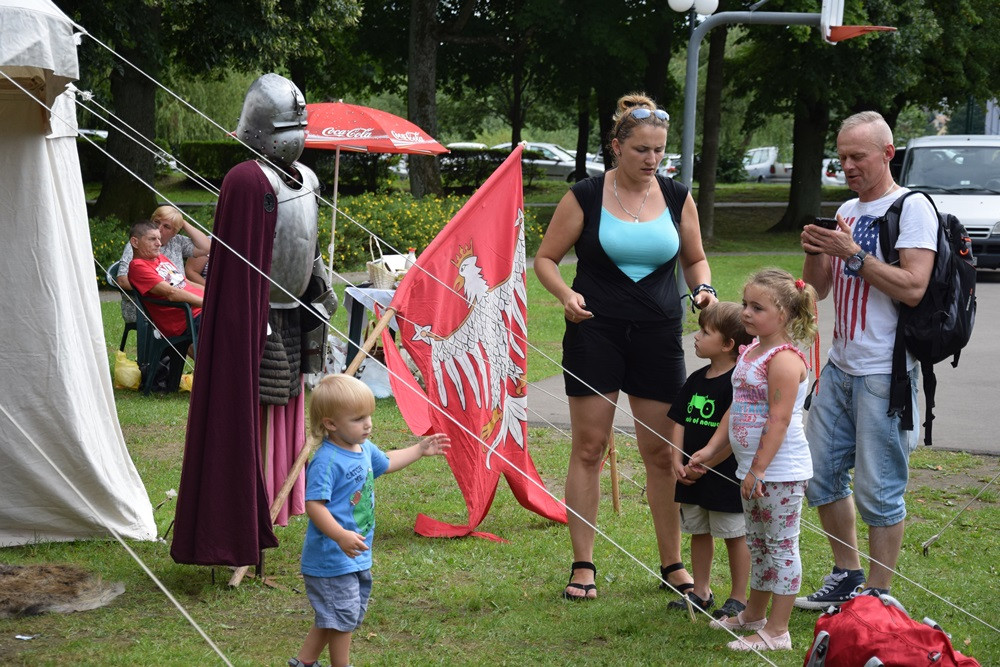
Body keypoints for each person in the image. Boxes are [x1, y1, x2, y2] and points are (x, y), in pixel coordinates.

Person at [534, 91, 717, 600]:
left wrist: (705, 288)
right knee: (590, 448)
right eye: (642, 150)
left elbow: (696, 260)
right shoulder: (586, 195)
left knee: (662, 452)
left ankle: (673, 564)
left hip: (659, 334)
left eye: (660, 150)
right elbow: (546, 259)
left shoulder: (679, 197)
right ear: (617, 147)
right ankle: (583, 565)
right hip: (595, 332)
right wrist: (566, 294)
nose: (653, 159)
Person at [798, 111, 938, 607]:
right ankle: (847, 574)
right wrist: (818, 250)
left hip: (886, 369)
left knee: (879, 488)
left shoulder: (912, 208)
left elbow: (915, 287)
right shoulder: (847, 209)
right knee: (818, 474)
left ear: (887, 153)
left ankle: (878, 596)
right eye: (842, 157)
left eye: (858, 156)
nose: (848, 166)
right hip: (840, 366)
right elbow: (816, 291)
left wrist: (853, 253)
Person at [289, 374, 450, 667]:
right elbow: (313, 505)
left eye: (369, 416)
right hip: (331, 559)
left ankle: (305, 662)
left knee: (333, 614)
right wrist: (339, 535)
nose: (368, 424)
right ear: (330, 424)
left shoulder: (363, 449)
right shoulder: (327, 460)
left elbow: (386, 462)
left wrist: (419, 450)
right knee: (343, 616)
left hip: (354, 553)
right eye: (358, 418)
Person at [694, 268, 816, 652]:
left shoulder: (782, 360)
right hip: (752, 471)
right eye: (746, 304)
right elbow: (737, 410)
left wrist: (759, 469)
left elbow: (778, 421)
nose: (746, 312)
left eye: (757, 307)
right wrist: (713, 452)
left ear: (783, 315)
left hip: (778, 473)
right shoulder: (751, 352)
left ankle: (778, 631)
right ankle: (754, 614)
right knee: (759, 543)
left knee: (780, 547)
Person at [667, 302, 753, 619]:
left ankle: (739, 598)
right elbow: (678, 420)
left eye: (705, 332)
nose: (697, 336)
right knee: (698, 531)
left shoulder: (739, 385)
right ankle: (700, 591)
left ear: (728, 344)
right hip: (689, 474)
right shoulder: (695, 379)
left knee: (734, 535)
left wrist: (706, 465)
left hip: (724, 476)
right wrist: (677, 460)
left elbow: (733, 433)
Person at [115, 205, 210, 323]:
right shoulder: (137, 248)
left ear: (174, 232)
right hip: (155, 307)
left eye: (167, 226)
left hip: (186, 304)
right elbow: (123, 280)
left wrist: (181, 221)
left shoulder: (173, 245)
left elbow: (207, 248)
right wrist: (156, 286)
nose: (159, 228)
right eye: (156, 222)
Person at [126, 219, 204, 346]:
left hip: (199, 311)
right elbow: (171, 293)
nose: (159, 243)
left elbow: (185, 282)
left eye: (159, 238)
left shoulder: (160, 258)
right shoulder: (138, 267)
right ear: (135, 242)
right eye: (152, 239)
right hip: (187, 319)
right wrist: (209, 304)